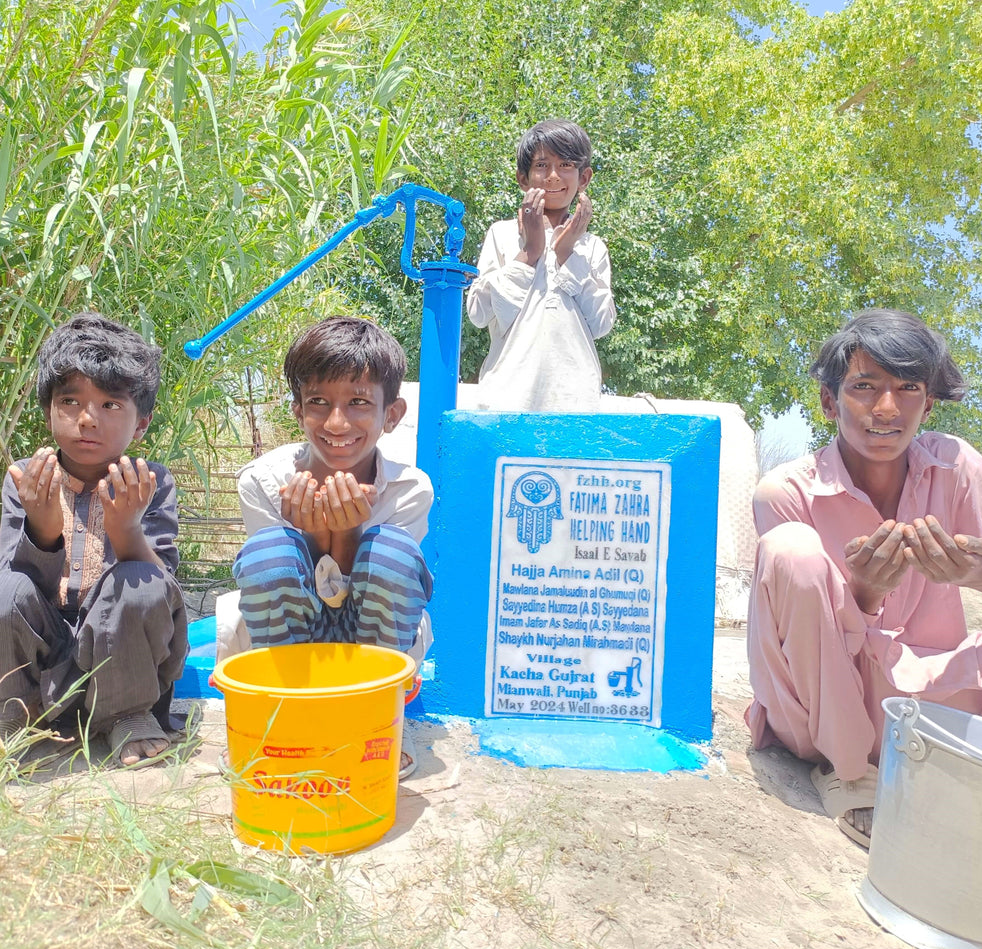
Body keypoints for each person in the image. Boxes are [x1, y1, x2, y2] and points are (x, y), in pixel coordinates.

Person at [746, 309, 982, 847]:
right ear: (830, 402)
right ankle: (851, 775)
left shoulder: (954, 466)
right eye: (864, 387)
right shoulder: (787, 493)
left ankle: (956, 760)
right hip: (819, 713)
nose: (887, 409)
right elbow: (801, 629)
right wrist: (866, 593)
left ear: (930, 402)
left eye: (909, 387)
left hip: (918, 702)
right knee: (791, 550)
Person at [0, 313, 188, 766]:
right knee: (4, 589)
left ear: (140, 424)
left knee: (141, 582)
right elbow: (14, 594)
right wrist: (42, 530)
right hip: (41, 656)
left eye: (110, 405)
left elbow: (163, 591)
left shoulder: (151, 481)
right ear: (49, 411)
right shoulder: (25, 479)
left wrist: (126, 528)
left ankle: (125, 716)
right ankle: (16, 717)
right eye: (70, 400)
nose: (87, 419)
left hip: (122, 660)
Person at [226, 315, 433, 671]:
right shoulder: (262, 481)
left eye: (359, 402)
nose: (337, 423)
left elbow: (386, 588)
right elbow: (273, 583)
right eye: (318, 401)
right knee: (268, 553)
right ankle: (287, 695)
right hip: (288, 640)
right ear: (298, 411)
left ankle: (374, 692)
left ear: (392, 415)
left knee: (393, 553)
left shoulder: (409, 490)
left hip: (377, 640)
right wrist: (313, 538)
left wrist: (349, 534)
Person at [466, 118, 616, 412]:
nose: (553, 177)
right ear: (524, 178)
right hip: (506, 399)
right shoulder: (502, 233)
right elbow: (478, 313)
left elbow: (601, 324)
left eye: (566, 166)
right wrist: (530, 253)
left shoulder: (592, 246)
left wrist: (567, 252)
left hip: (575, 404)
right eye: (542, 166)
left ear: (584, 178)